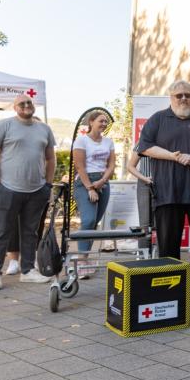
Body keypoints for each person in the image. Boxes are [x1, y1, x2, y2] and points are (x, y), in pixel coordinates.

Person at [137, 80, 190, 297]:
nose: (184, 99)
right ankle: (170, 288)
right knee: (168, 244)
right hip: (167, 193)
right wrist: (173, 157)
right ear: (170, 97)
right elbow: (145, 147)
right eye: (179, 95)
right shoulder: (158, 119)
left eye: (187, 95)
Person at [0, 94, 56, 290]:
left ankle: (27, 271)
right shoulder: (4, 125)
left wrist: (47, 185)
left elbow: (51, 159)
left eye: (29, 102)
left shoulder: (44, 129)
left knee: (30, 232)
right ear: (15, 107)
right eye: (22, 103)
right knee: (1, 232)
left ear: (34, 106)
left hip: (36, 190)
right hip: (8, 189)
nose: (26, 105)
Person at [72, 111, 116, 270]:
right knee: (88, 220)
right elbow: (79, 166)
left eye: (106, 122)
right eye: (101, 121)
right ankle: (81, 260)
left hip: (103, 182)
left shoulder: (108, 142)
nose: (104, 124)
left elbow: (111, 165)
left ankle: (85, 258)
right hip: (85, 182)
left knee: (94, 222)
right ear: (91, 122)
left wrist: (102, 181)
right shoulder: (82, 140)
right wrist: (90, 187)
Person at [126, 147, 154, 251]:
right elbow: (130, 166)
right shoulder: (142, 141)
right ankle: (144, 259)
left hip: (164, 184)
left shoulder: (166, 139)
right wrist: (144, 178)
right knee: (145, 225)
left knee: (163, 225)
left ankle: (162, 260)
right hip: (144, 184)